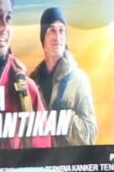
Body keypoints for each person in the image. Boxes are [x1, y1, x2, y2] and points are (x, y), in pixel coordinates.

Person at [32, 8, 97, 147]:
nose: (57, 36)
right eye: (51, 30)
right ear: (43, 36)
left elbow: (90, 136)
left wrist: (64, 118)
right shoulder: (32, 82)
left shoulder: (79, 80)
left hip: (67, 164)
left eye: (61, 30)